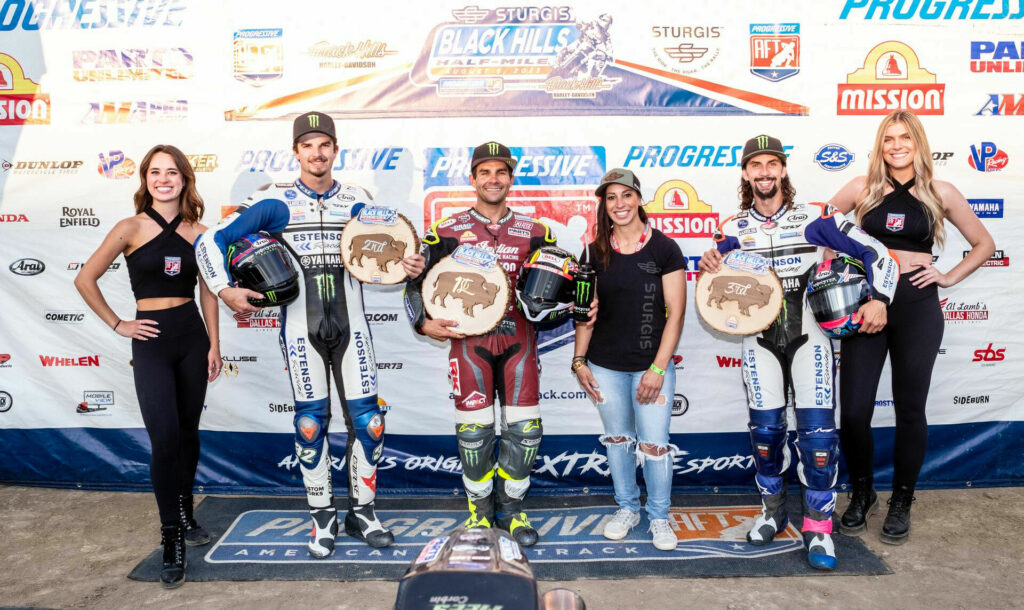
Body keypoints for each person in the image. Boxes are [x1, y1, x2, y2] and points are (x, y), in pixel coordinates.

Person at [195, 111, 414, 556]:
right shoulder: (274, 201)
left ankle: (364, 513)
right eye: (308, 145)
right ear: (296, 152)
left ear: (336, 150)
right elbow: (208, 242)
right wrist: (224, 290)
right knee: (311, 425)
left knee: (370, 423)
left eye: (325, 145)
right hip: (301, 330)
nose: (317, 153)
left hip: (354, 329)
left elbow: (399, 245)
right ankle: (321, 517)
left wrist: (413, 263)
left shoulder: (357, 199)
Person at [698, 135, 899, 570]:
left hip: (811, 338)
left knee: (819, 441)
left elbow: (878, 254)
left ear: (783, 170)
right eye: (757, 165)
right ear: (746, 173)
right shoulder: (732, 228)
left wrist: (879, 298)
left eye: (773, 164)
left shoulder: (815, 217)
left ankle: (819, 530)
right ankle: (772, 512)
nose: (765, 172)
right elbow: (713, 281)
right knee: (766, 437)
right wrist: (707, 264)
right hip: (760, 341)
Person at [828, 111, 995, 544]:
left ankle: (902, 499)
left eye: (905, 137)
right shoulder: (862, 190)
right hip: (867, 308)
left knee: (910, 409)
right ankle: (863, 493)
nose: (897, 145)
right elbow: (820, 230)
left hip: (917, 306)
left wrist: (949, 276)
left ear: (918, 142)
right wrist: (856, 262)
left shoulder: (941, 191)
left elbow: (984, 244)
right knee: (855, 411)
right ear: (879, 146)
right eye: (888, 139)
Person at [75, 144, 221, 588]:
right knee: (165, 437)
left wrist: (215, 344)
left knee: (189, 434)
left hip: (191, 338)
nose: (163, 179)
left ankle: (187, 513)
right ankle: (171, 536)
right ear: (145, 179)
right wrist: (119, 323)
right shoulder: (130, 227)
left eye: (172, 172)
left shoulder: (201, 233)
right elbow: (84, 278)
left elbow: (209, 293)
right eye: (155, 172)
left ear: (184, 179)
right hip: (152, 341)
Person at [403, 142, 556, 547]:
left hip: (520, 341)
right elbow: (414, 282)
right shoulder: (446, 230)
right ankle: (479, 512)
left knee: (525, 434)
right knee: (474, 434)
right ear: (472, 179)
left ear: (511, 178)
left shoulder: (537, 231)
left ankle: (514, 509)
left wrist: (580, 297)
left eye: (501, 172)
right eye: (485, 172)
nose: (493, 179)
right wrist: (422, 322)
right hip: (469, 345)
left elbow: (559, 286)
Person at [571, 169, 686, 551]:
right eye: (611, 198)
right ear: (604, 204)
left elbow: (676, 314)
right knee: (619, 442)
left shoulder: (665, 249)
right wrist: (579, 360)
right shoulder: (592, 251)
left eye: (626, 195)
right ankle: (626, 509)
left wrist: (656, 368)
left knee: (654, 445)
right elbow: (586, 312)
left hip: (652, 365)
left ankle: (659, 516)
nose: (619, 204)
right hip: (604, 365)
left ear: (639, 199)